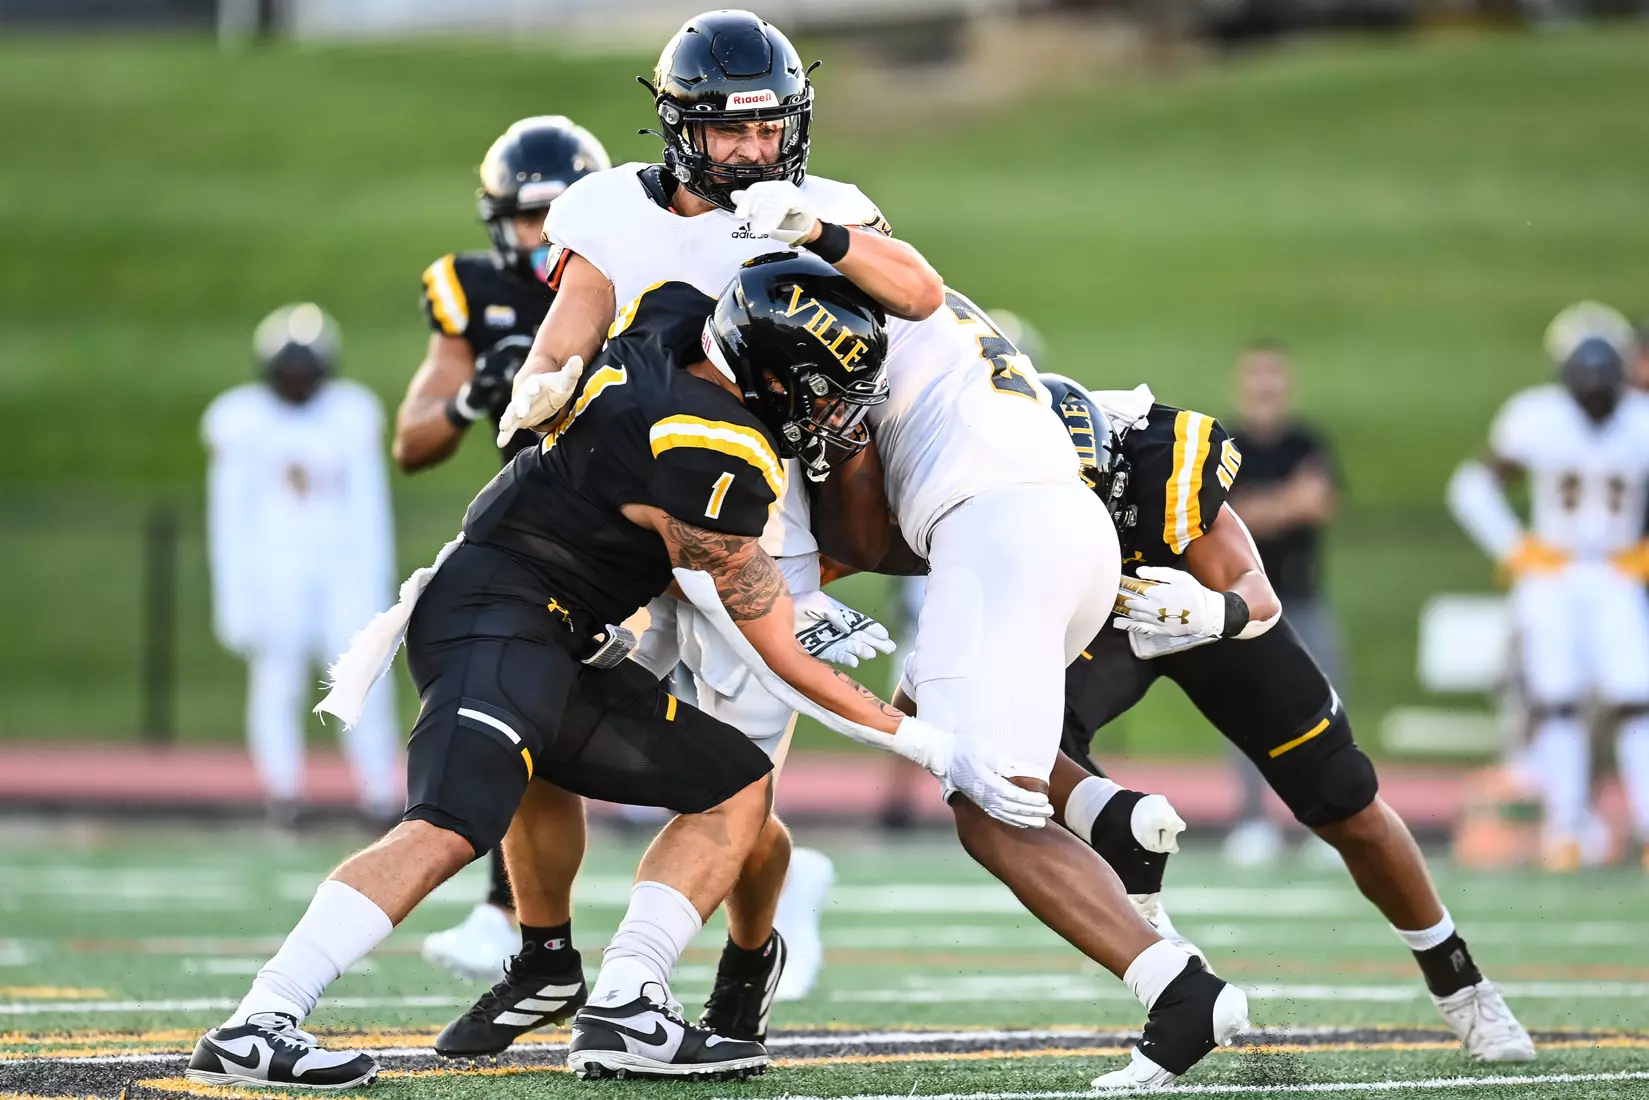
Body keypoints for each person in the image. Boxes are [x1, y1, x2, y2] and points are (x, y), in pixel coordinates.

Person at [183, 256, 1040, 1089]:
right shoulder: (718, 448)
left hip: (560, 631)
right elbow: (779, 653)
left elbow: (644, 291)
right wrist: (930, 745)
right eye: (822, 390)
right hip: (498, 615)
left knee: (735, 784)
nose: (835, 414)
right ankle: (261, 1019)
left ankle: (628, 999)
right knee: (449, 824)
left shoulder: (666, 322)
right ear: (771, 377)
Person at [436, 8, 934, 1059]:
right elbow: (563, 340)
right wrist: (538, 392)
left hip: (759, 537)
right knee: (545, 736)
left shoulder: (827, 205)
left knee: (736, 797)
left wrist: (815, 232)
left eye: (768, 128)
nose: (754, 151)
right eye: (727, 130)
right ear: (678, 128)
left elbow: (917, 293)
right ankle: (546, 954)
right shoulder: (610, 208)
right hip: (624, 534)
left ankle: (727, 965)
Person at [798, 293, 1252, 1092]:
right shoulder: (941, 323)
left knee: (991, 811)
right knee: (937, 718)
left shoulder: (851, 344)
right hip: (1069, 535)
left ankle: (1178, 990)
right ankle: (1106, 814)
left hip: (994, 543)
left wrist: (806, 569)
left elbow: (867, 536)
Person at [1041, 373, 1537, 1064]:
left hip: (1200, 607)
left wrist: (1213, 612)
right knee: (1023, 748)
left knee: (1343, 797)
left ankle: (1459, 982)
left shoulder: (1162, 470)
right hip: (1100, 623)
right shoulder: (995, 485)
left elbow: (1256, 593)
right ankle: (1139, 883)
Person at [392, 115, 610, 988]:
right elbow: (411, 441)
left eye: (561, 214)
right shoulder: (471, 294)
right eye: (529, 218)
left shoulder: (622, 273)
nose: (543, 234)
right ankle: (508, 916)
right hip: (543, 538)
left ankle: (775, 890)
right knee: (527, 711)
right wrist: (469, 401)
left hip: (643, 522)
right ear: (497, 220)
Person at [1448, 301, 1649, 872]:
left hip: (1616, 571)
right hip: (1555, 574)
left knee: (1637, 701)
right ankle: (1567, 830)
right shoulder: (1536, 418)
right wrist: (1517, 549)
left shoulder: (1640, 419)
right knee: (1556, 703)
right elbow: (1471, 486)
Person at [202, 303, 399, 828]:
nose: (297, 379)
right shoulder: (240, 421)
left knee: (361, 680)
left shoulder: (351, 414)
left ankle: (378, 790)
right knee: (277, 680)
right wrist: (235, 598)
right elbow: (228, 517)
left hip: (344, 571)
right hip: (274, 573)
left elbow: (369, 508)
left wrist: (376, 581)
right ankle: (283, 791)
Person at [1220, 341, 1343, 866]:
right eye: (1257, 377)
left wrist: (1262, 508)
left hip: (1302, 596)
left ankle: (1330, 817)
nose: (1266, 388)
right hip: (1247, 600)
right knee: (1245, 711)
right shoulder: (1225, 442)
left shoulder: (1306, 441)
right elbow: (1226, 513)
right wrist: (1287, 501)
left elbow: (1320, 503)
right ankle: (1252, 820)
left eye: (1274, 376)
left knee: (1326, 710)